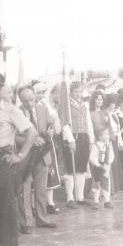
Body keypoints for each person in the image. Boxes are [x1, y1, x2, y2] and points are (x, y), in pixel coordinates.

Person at [0, 74, 37, 246]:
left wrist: (20, 156)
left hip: (4, 160)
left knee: (5, 206)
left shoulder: (10, 110)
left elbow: (31, 132)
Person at [17, 86, 58, 233]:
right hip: (25, 157)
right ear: (20, 100)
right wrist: (31, 141)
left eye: (31, 100)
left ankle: (42, 218)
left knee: (41, 189)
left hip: (42, 156)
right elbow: (14, 137)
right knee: (25, 189)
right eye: (25, 101)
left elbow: (50, 126)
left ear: (35, 96)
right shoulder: (16, 112)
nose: (29, 104)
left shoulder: (43, 109)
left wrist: (50, 132)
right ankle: (27, 222)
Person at [62, 82, 95, 208]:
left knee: (81, 168)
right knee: (70, 169)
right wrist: (70, 139)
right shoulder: (66, 105)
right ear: (71, 92)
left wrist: (91, 139)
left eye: (80, 92)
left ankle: (80, 197)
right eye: (76, 91)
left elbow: (89, 123)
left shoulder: (85, 105)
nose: (78, 94)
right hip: (72, 137)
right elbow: (65, 123)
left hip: (83, 137)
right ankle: (70, 198)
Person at [32, 82, 62, 215]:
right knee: (33, 176)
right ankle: (33, 205)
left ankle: (50, 202)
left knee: (51, 173)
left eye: (43, 92)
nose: (41, 95)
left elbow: (56, 129)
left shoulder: (47, 107)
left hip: (48, 144)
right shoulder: (29, 108)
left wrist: (55, 118)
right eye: (39, 92)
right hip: (34, 144)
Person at [89, 127, 114, 209]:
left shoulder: (108, 146)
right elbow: (92, 157)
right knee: (97, 183)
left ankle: (107, 201)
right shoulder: (96, 146)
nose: (108, 136)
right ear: (100, 136)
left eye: (108, 134)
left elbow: (112, 156)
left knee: (106, 183)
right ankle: (96, 201)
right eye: (106, 134)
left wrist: (108, 162)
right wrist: (97, 164)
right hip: (98, 167)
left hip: (106, 166)